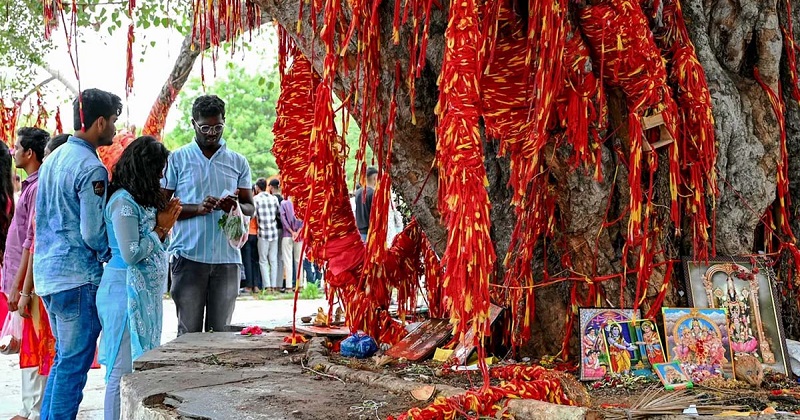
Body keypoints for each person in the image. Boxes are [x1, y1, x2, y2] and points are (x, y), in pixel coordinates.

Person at [34, 88, 121, 419]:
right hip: (77, 277)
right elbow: (91, 232)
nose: (114, 128)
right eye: (113, 121)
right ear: (100, 122)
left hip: (49, 276)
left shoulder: (53, 157)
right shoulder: (91, 167)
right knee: (73, 366)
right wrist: (109, 251)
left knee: (64, 360)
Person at [96, 136, 180, 420]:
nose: (160, 175)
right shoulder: (123, 203)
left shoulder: (141, 200)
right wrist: (160, 230)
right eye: (156, 169)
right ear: (142, 169)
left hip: (144, 294)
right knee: (121, 371)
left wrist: (163, 229)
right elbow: (131, 254)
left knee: (139, 366)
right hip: (123, 292)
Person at [162, 94, 255, 335]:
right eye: (205, 127)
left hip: (227, 259)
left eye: (217, 127)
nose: (212, 133)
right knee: (188, 335)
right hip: (189, 257)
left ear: (224, 122)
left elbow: (249, 208)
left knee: (221, 334)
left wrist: (234, 207)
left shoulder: (238, 162)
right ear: (193, 124)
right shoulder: (177, 159)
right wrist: (197, 208)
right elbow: (162, 207)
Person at [4, 127, 49, 420]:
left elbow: (31, 241)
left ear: (29, 153)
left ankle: (33, 410)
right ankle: (29, 407)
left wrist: (23, 289)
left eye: (16, 147)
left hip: (28, 284)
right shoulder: (31, 185)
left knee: (36, 343)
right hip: (21, 280)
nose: (13, 153)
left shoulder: (36, 188)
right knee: (28, 345)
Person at [254, 178, 280, 291]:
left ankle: (267, 286)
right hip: (274, 232)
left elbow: (253, 215)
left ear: (258, 188)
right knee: (273, 260)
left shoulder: (256, 199)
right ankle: (274, 286)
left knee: (263, 260)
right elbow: (278, 212)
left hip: (263, 233)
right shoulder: (273, 198)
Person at [240, 185, 262, 294]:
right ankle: (257, 286)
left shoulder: (246, 204)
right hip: (256, 235)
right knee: (255, 261)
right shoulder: (256, 202)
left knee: (247, 261)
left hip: (247, 235)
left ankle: (248, 286)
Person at [279, 195, 302, 290]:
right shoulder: (301, 202)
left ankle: (288, 286)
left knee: (287, 261)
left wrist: (292, 232)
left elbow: (283, 220)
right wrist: (298, 232)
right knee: (299, 260)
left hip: (287, 235)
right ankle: (299, 285)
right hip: (299, 236)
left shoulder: (283, 203)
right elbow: (305, 220)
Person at [268, 179, 285, 289]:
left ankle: (272, 283)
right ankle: (279, 284)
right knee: (280, 258)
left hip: (273, 230)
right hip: (283, 230)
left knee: (272, 258)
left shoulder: (273, 199)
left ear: (271, 187)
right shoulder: (282, 199)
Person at [354, 166, 378, 242]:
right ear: (375, 178)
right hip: (370, 232)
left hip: (360, 231)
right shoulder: (373, 193)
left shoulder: (357, 192)